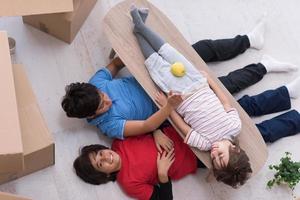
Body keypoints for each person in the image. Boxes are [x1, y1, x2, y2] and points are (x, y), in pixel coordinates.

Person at [73, 81, 300, 198]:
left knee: (242, 109)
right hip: (198, 157)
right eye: (100, 164)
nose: (104, 157)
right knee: (259, 136)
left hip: (183, 128)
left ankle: (286, 92)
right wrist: (162, 174)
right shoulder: (129, 184)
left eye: (98, 153)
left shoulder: (119, 143)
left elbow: (146, 124)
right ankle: (296, 120)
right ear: (103, 175)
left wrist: (156, 132)